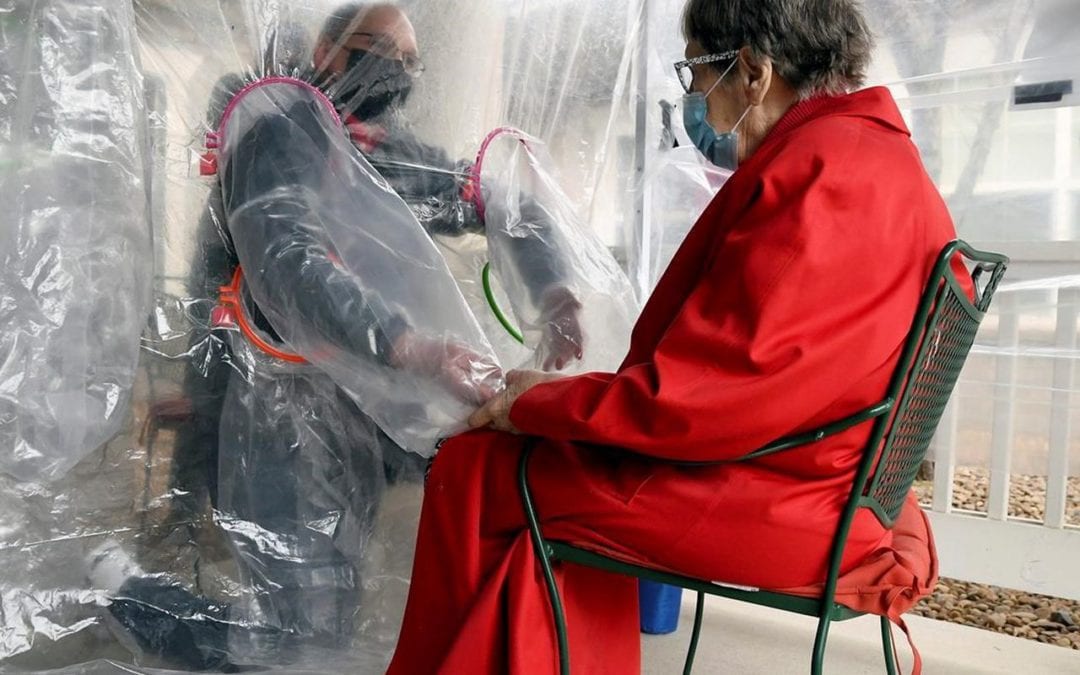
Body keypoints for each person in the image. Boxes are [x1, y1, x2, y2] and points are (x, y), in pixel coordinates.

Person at [386, 1, 949, 673]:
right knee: (537, 476)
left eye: (696, 72)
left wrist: (538, 403)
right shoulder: (885, 159)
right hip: (828, 475)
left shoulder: (819, 174)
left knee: (475, 465)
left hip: (777, 492)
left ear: (753, 73)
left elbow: (712, 399)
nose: (694, 102)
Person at [90, 2, 584, 670]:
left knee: (333, 609)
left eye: (412, 62)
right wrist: (409, 344)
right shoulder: (276, 131)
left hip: (362, 398)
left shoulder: (387, 149)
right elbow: (290, 263)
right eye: (384, 54)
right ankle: (127, 592)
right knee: (295, 632)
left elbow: (500, 200)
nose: (400, 75)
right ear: (328, 50)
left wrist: (554, 292)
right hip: (276, 401)